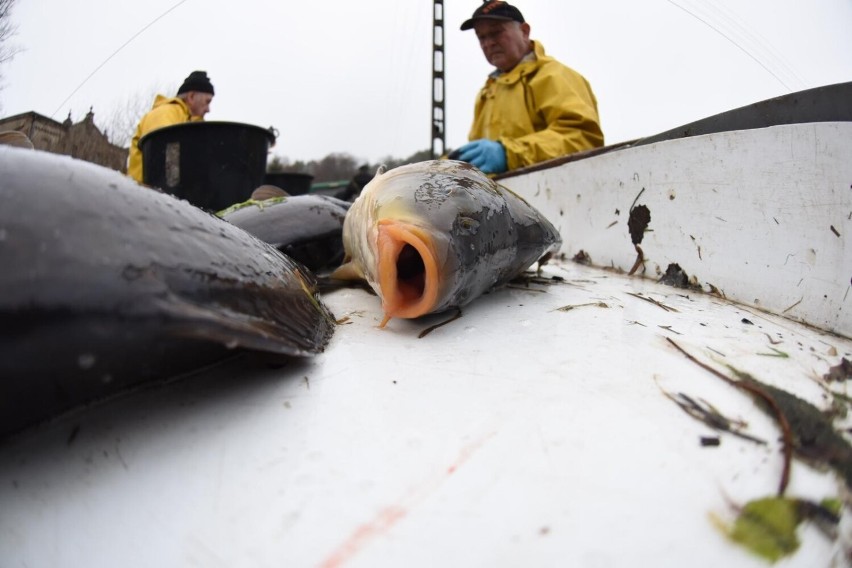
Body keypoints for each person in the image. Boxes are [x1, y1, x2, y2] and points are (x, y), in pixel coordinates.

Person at [453, 1, 604, 174]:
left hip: (556, 196)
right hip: (503, 199)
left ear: (524, 31)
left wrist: (509, 154)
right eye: (482, 37)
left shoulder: (554, 76)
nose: (488, 43)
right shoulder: (486, 94)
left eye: (496, 33)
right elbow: (478, 159)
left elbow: (582, 138)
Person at [127, 71, 215, 183]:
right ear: (191, 97)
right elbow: (163, 161)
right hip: (146, 195)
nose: (208, 109)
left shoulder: (189, 123)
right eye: (207, 102)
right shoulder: (165, 113)